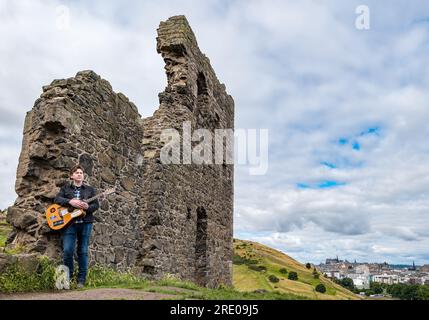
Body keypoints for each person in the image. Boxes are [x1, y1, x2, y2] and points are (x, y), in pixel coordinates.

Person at [54, 164, 99, 288]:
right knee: (68, 250)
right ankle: (68, 278)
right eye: (77, 172)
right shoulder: (65, 189)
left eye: (81, 173)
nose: (79, 174)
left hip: (86, 223)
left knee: (83, 251)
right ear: (71, 176)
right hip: (69, 224)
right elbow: (56, 199)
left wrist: (88, 207)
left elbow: (96, 205)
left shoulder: (90, 190)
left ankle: (81, 280)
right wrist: (70, 201)